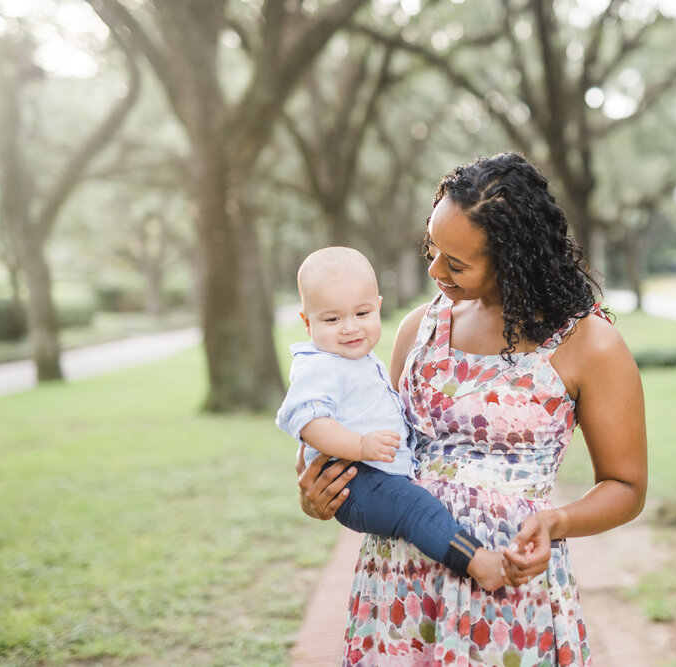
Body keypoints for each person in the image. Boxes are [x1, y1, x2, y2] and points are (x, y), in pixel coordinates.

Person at [296, 152, 648, 666]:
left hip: (503, 590)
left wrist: (556, 522)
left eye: (456, 263)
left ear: (515, 260)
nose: (435, 269)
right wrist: (317, 492)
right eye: (433, 248)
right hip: (397, 585)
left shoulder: (588, 344)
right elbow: (372, 441)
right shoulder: (420, 329)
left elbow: (627, 486)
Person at [277, 246, 507, 589]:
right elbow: (310, 423)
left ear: (378, 308)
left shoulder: (353, 359)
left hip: (371, 471)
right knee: (416, 509)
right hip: (355, 479)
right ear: (307, 322)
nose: (349, 328)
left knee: (413, 507)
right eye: (332, 319)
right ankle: (476, 561)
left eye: (362, 313)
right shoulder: (320, 366)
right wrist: (360, 444)